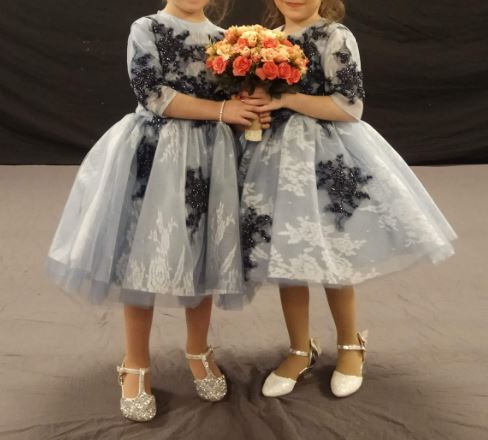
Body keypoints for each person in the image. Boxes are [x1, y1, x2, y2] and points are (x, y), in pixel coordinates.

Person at [46, 0, 266, 422]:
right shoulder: (146, 28)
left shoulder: (228, 41)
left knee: (203, 251)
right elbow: (154, 95)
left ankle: (198, 349)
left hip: (211, 158)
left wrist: (249, 104)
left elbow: (234, 97)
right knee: (142, 256)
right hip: (157, 155)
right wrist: (223, 111)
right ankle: (135, 362)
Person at [239, 0, 457, 399]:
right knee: (288, 256)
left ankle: (350, 344)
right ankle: (299, 349)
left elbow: (348, 106)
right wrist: (257, 107)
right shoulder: (264, 41)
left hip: (325, 158)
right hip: (276, 160)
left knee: (334, 256)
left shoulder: (335, 36)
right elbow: (259, 97)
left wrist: (286, 100)